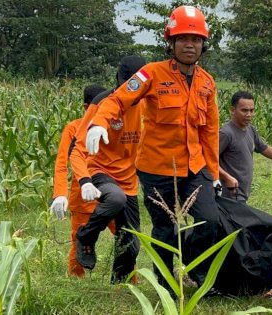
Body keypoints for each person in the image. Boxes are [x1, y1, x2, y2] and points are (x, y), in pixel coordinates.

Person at [83, 5, 220, 294]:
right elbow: (117, 100)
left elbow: (209, 132)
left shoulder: (207, 83)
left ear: (203, 44)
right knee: (165, 230)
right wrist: (99, 123)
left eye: (196, 40)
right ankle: (165, 286)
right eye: (183, 38)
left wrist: (215, 173)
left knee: (211, 220)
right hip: (157, 168)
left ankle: (195, 268)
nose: (189, 45)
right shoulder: (150, 75)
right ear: (170, 42)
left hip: (195, 167)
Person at [71, 55, 146, 283]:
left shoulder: (148, 104)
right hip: (100, 171)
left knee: (131, 243)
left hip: (129, 179)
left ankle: (119, 284)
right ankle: (86, 236)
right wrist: (84, 180)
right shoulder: (103, 103)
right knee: (115, 199)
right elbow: (78, 149)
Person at [49, 83, 112, 277]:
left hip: (112, 193)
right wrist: (60, 194)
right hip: (83, 195)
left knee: (127, 236)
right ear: (87, 108)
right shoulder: (74, 129)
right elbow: (61, 163)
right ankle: (76, 280)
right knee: (79, 239)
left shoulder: (114, 125)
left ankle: (126, 280)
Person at [219, 90, 272, 202]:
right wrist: (227, 177)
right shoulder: (226, 133)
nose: (249, 114)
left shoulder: (250, 129)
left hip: (242, 192)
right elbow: (210, 161)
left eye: (251, 110)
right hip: (230, 194)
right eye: (244, 110)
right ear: (232, 110)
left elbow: (264, 148)